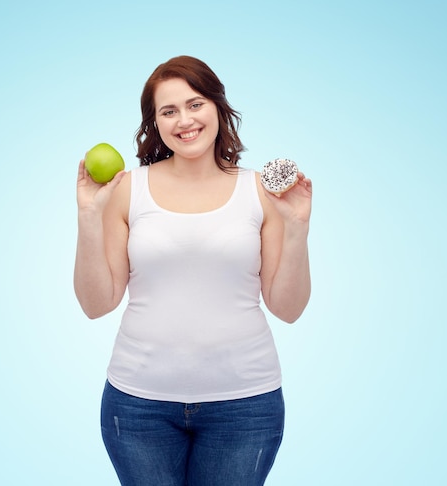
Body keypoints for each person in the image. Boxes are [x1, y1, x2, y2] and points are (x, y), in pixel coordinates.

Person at [74, 55, 312, 486]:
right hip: (138, 405)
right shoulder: (127, 189)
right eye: (169, 111)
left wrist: (296, 229)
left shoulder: (260, 190)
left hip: (246, 406)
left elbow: (288, 308)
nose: (184, 120)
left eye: (195, 103)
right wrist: (90, 217)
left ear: (218, 107)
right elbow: (96, 304)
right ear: (155, 124)